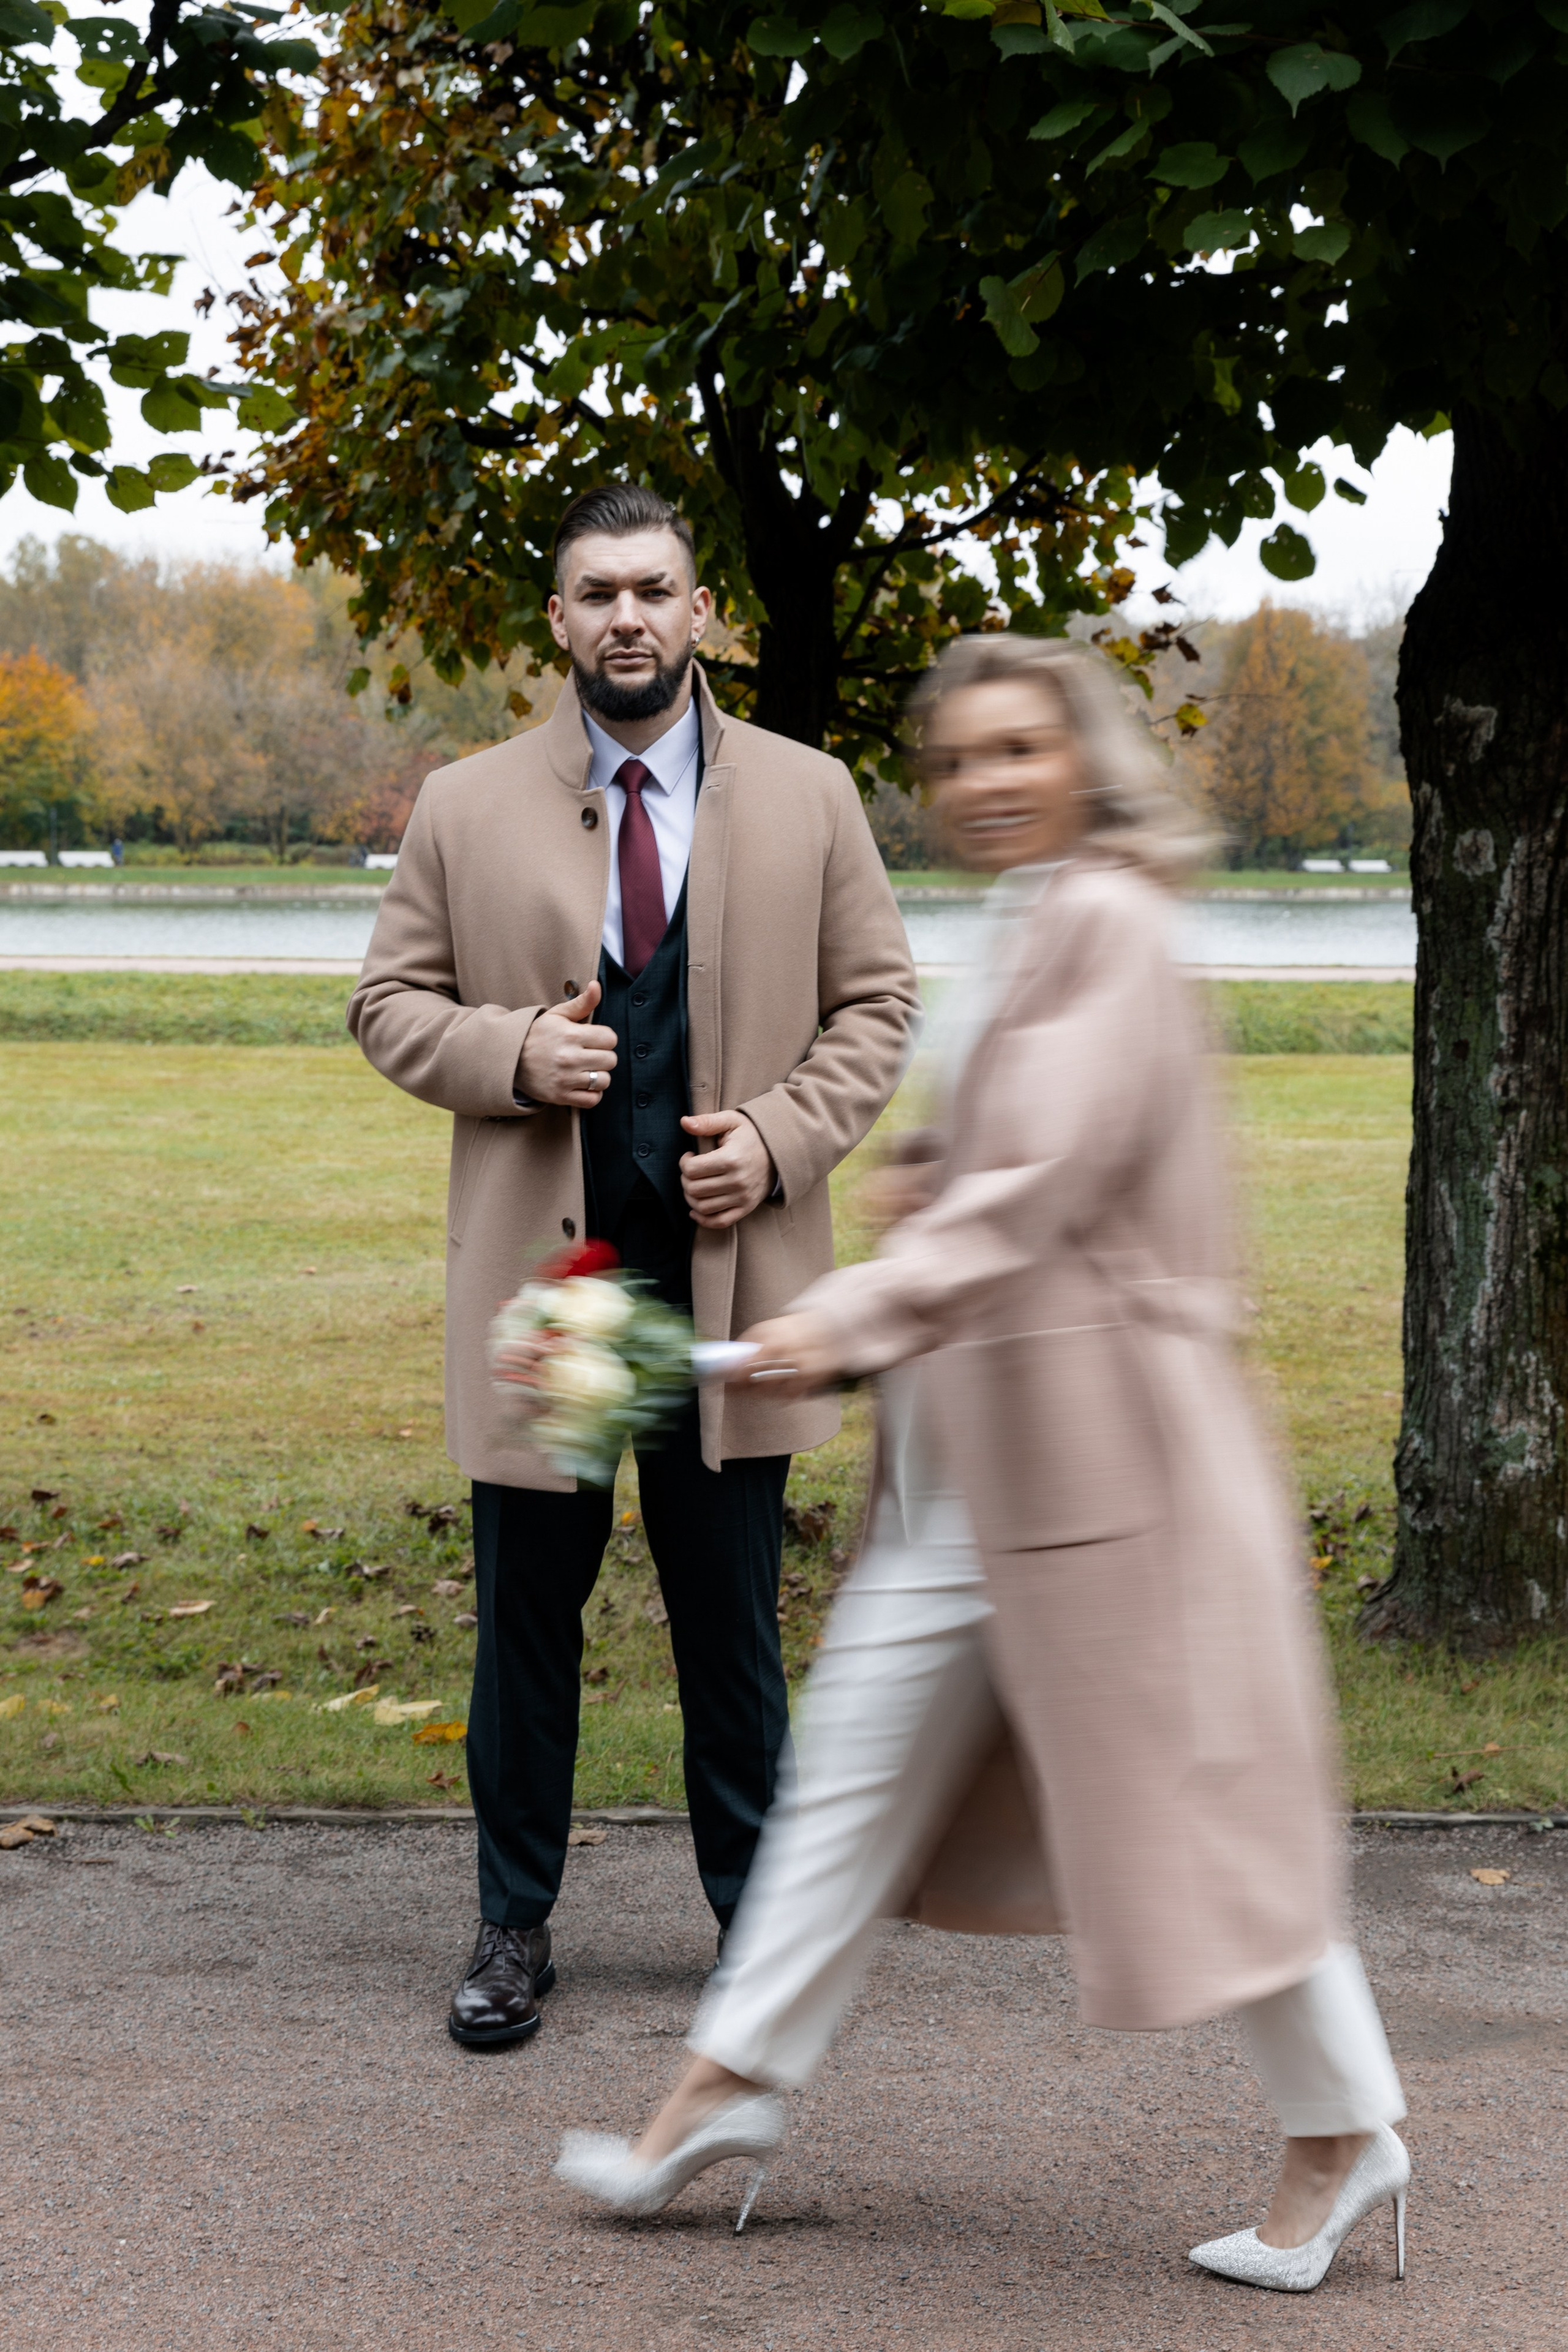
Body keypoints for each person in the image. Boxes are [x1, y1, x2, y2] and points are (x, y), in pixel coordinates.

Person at [555, 634, 1411, 2295]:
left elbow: (1044, 1189)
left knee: (1199, 1815)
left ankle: (1345, 2132)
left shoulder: (1114, 922)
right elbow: (980, 1164)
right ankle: (723, 2090)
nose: (986, 784)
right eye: (957, 762)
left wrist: (858, 1303)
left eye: (1019, 749)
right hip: (973, 1465)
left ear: (1085, 757)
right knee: (848, 1790)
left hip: (1110, 1470)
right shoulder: (1036, 925)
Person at [349, 484, 920, 2048]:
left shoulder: (812, 794)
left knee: (728, 1623)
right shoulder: (464, 803)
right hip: (559, 1290)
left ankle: (758, 1932)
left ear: (696, 611)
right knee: (525, 1625)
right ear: (557, 620)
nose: (626, 616)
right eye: (596, 591)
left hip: (732, 1291)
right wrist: (511, 1052)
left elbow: (875, 1006)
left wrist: (787, 1140)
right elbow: (387, 1003)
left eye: (653, 589)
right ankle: (512, 1927)